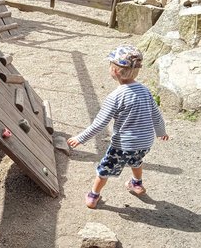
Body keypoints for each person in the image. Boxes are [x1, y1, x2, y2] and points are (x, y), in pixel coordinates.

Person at [67, 44, 169, 209]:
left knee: (104, 170)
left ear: (114, 71)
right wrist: (161, 132)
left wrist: (81, 138)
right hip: (145, 142)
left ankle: (93, 196)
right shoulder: (145, 91)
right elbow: (156, 115)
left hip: (123, 144)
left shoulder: (115, 97)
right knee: (136, 160)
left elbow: (100, 123)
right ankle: (137, 184)